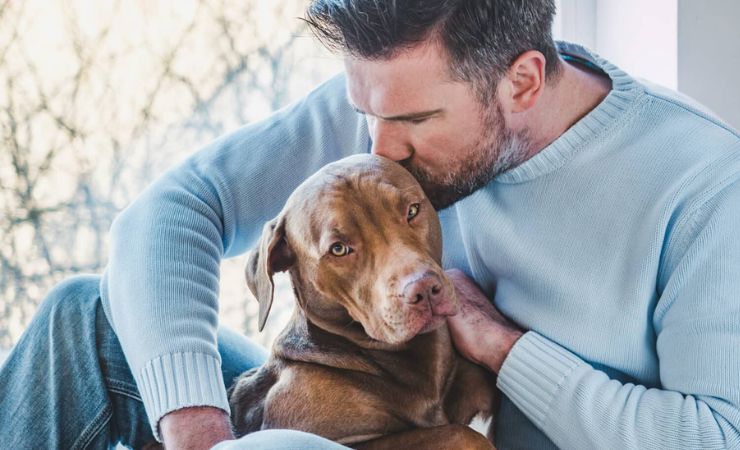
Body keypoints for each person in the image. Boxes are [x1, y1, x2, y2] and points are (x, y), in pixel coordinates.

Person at [2, 1, 739, 449]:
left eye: (412, 120)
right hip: (358, 406)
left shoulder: (704, 188)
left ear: (522, 83)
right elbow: (170, 212)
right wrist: (200, 431)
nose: (378, 146)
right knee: (84, 316)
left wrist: (506, 350)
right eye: (365, 112)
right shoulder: (396, 97)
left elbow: (718, 436)